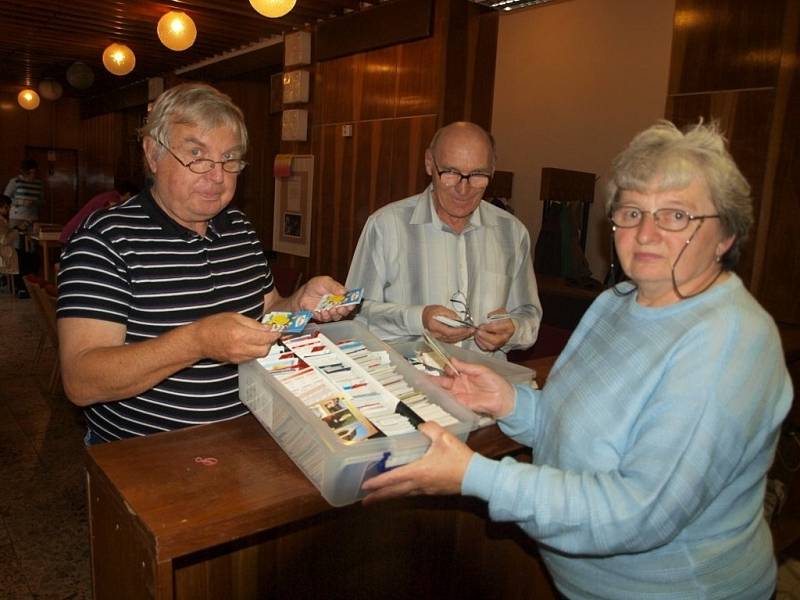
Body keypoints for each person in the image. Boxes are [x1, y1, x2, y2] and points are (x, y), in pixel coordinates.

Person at [362, 120, 793, 599]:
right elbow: (569, 421)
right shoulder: (618, 302)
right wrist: (509, 402)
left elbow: (636, 513)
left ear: (726, 235)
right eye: (631, 212)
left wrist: (474, 475)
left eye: (675, 216)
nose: (646, 234)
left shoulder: (729, 343)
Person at [57, 83, 354, 444]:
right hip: (143, 456)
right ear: (152, 154)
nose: (217, 176)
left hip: (247, 439)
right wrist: (196, 342)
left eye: (230, 159)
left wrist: (300, 304)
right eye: (197, 155)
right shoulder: (105, 239)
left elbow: (267, 313)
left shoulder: (239, 228)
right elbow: (81, 379)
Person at [345, 121, 541, 358]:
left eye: (478, 175)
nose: (463, 189)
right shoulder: (387, 226)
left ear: (493, 169)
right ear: (429, 163)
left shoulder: (512, 233)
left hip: (483, 384)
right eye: (450, 172)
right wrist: (419, 319)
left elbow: (529, 315)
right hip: (408, 383)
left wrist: (514, 329)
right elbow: (354, 312)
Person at [4, 158, 44, 298]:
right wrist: (20, 201)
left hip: (32, 218)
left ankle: (31, 281)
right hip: (17, 217)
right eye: (31, 172)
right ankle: (17, 282)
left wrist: (35, 202)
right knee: (17, 248)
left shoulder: (39, 183)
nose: (33, 175)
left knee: (32, 249)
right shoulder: (15, 182)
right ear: (25, 172)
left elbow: (41, 200)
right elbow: (5, 199)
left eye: (35, 172)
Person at [59, 179, 140, 244]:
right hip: (74, 236)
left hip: (75, 234)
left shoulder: (110, 195)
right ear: (128, 194)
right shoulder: (112, 199)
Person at [0, 195, 19, 285]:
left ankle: (18, 286)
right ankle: (20, 287)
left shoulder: (2, 219)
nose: (8, 210)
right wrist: (16, 231)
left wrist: (14, 229)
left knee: (28, 258)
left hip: (4, 250)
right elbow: (4, 240)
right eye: (6, 207)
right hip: (3, 253)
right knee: (32, 260)